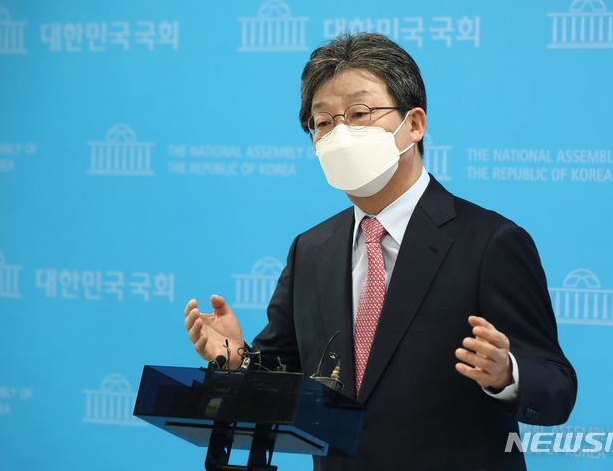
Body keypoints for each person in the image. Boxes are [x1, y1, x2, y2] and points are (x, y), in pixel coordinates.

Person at [184, 33, 577, 470]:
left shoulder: (490, 243)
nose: (340, 134)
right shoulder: (310, 250)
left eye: (359, 114)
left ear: (414, 124)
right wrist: (236, 359)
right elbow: (284, 373)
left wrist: (506, 374)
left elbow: (557, 387)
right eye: (323, 122)